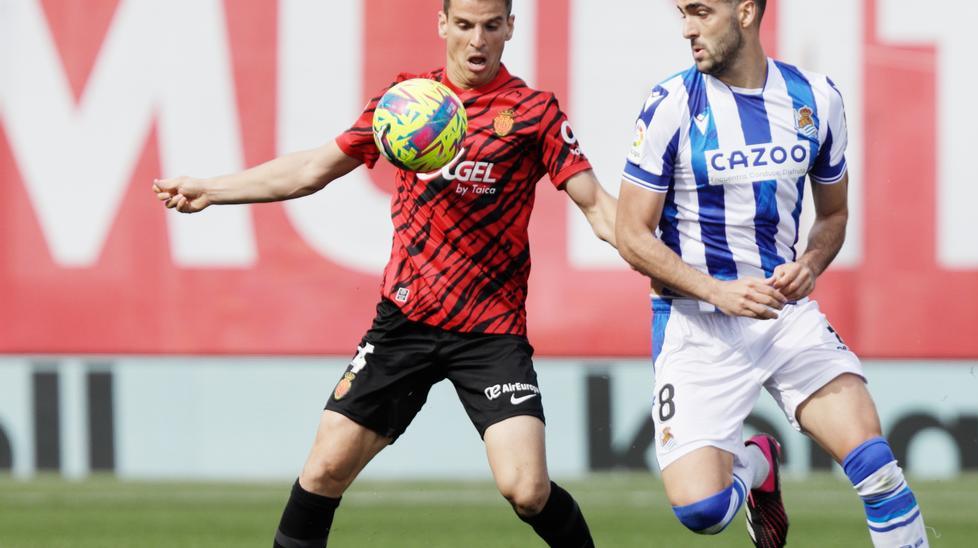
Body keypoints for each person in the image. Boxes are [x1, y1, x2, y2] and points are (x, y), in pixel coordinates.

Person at [153, 1, 613, 546]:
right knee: (324, 468)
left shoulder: (533, 113)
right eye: (464, 25)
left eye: (491, 26)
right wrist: (213, 190)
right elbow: (310, 171)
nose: (477, 40)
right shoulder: (405, 104)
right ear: (443, 24)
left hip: (490, 330)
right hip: (405, 322)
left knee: (527, 489)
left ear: (511, 26)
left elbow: (601, 211)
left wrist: (666, 259)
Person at [614, 1, 928, 547]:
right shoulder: (670, 106)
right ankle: (757, 468)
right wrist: (717, 291)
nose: (687, 27)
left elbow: (833, 215)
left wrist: (810, 264)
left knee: (875, 463)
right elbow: (631, 235)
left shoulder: (816, 98)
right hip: (696, 324)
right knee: (703, 512)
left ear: (746, 12)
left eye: (700, 12)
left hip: (785, 317)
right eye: (682, 13)